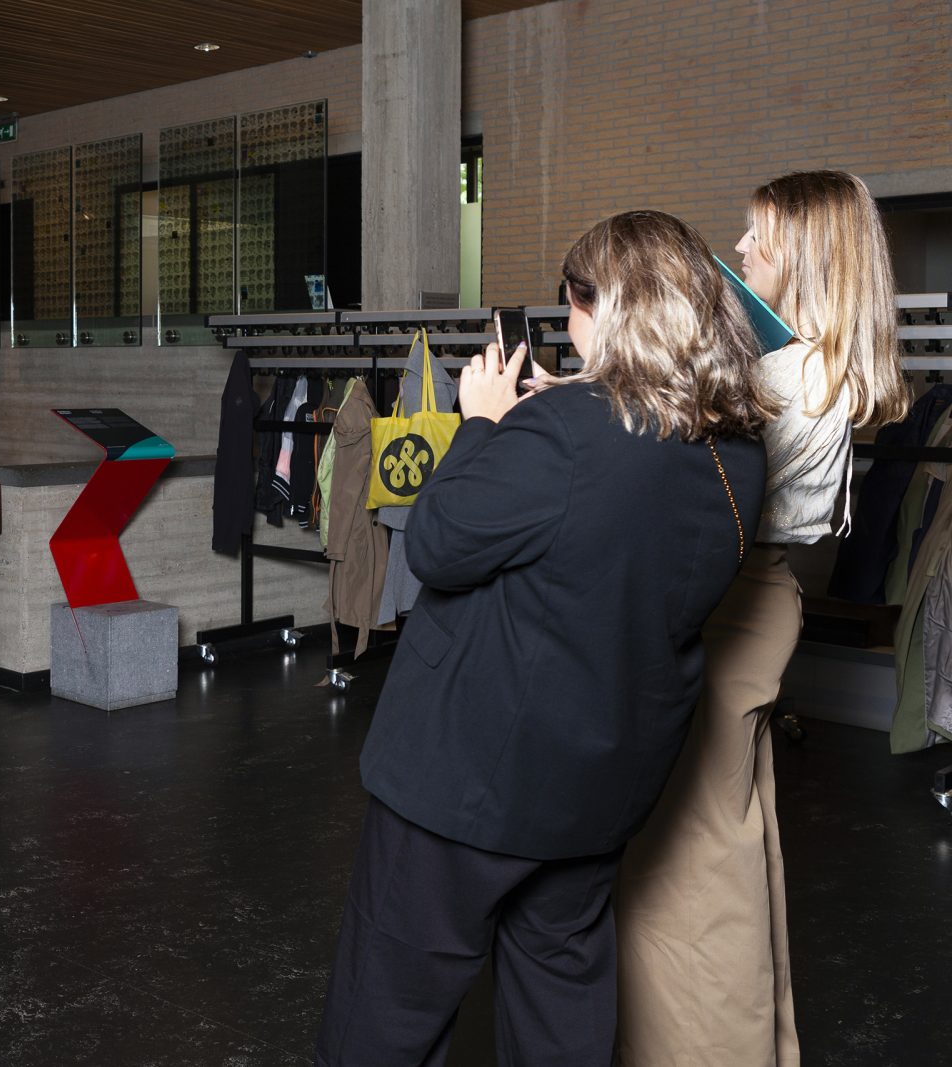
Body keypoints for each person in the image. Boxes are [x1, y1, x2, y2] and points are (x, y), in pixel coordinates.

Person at [315, 210, 774, 1065]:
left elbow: (438, 541)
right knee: (560, 1017)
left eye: (572, 302)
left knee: (386, 1014)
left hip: (466, 787)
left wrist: (482, 423)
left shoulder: (561, 435)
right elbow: (614, 499)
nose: (566, 322)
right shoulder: (737, 454)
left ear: (611, 310)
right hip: (595, 790)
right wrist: (574, 399)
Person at [616, 172, 910, 1066]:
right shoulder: (819, 365)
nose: (740, 249)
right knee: (733, 845)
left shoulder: (791, 374)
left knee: (685, 870)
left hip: (730, 606)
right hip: (756, 601)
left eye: (758, 235)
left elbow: (678, 475)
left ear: (808, 255)